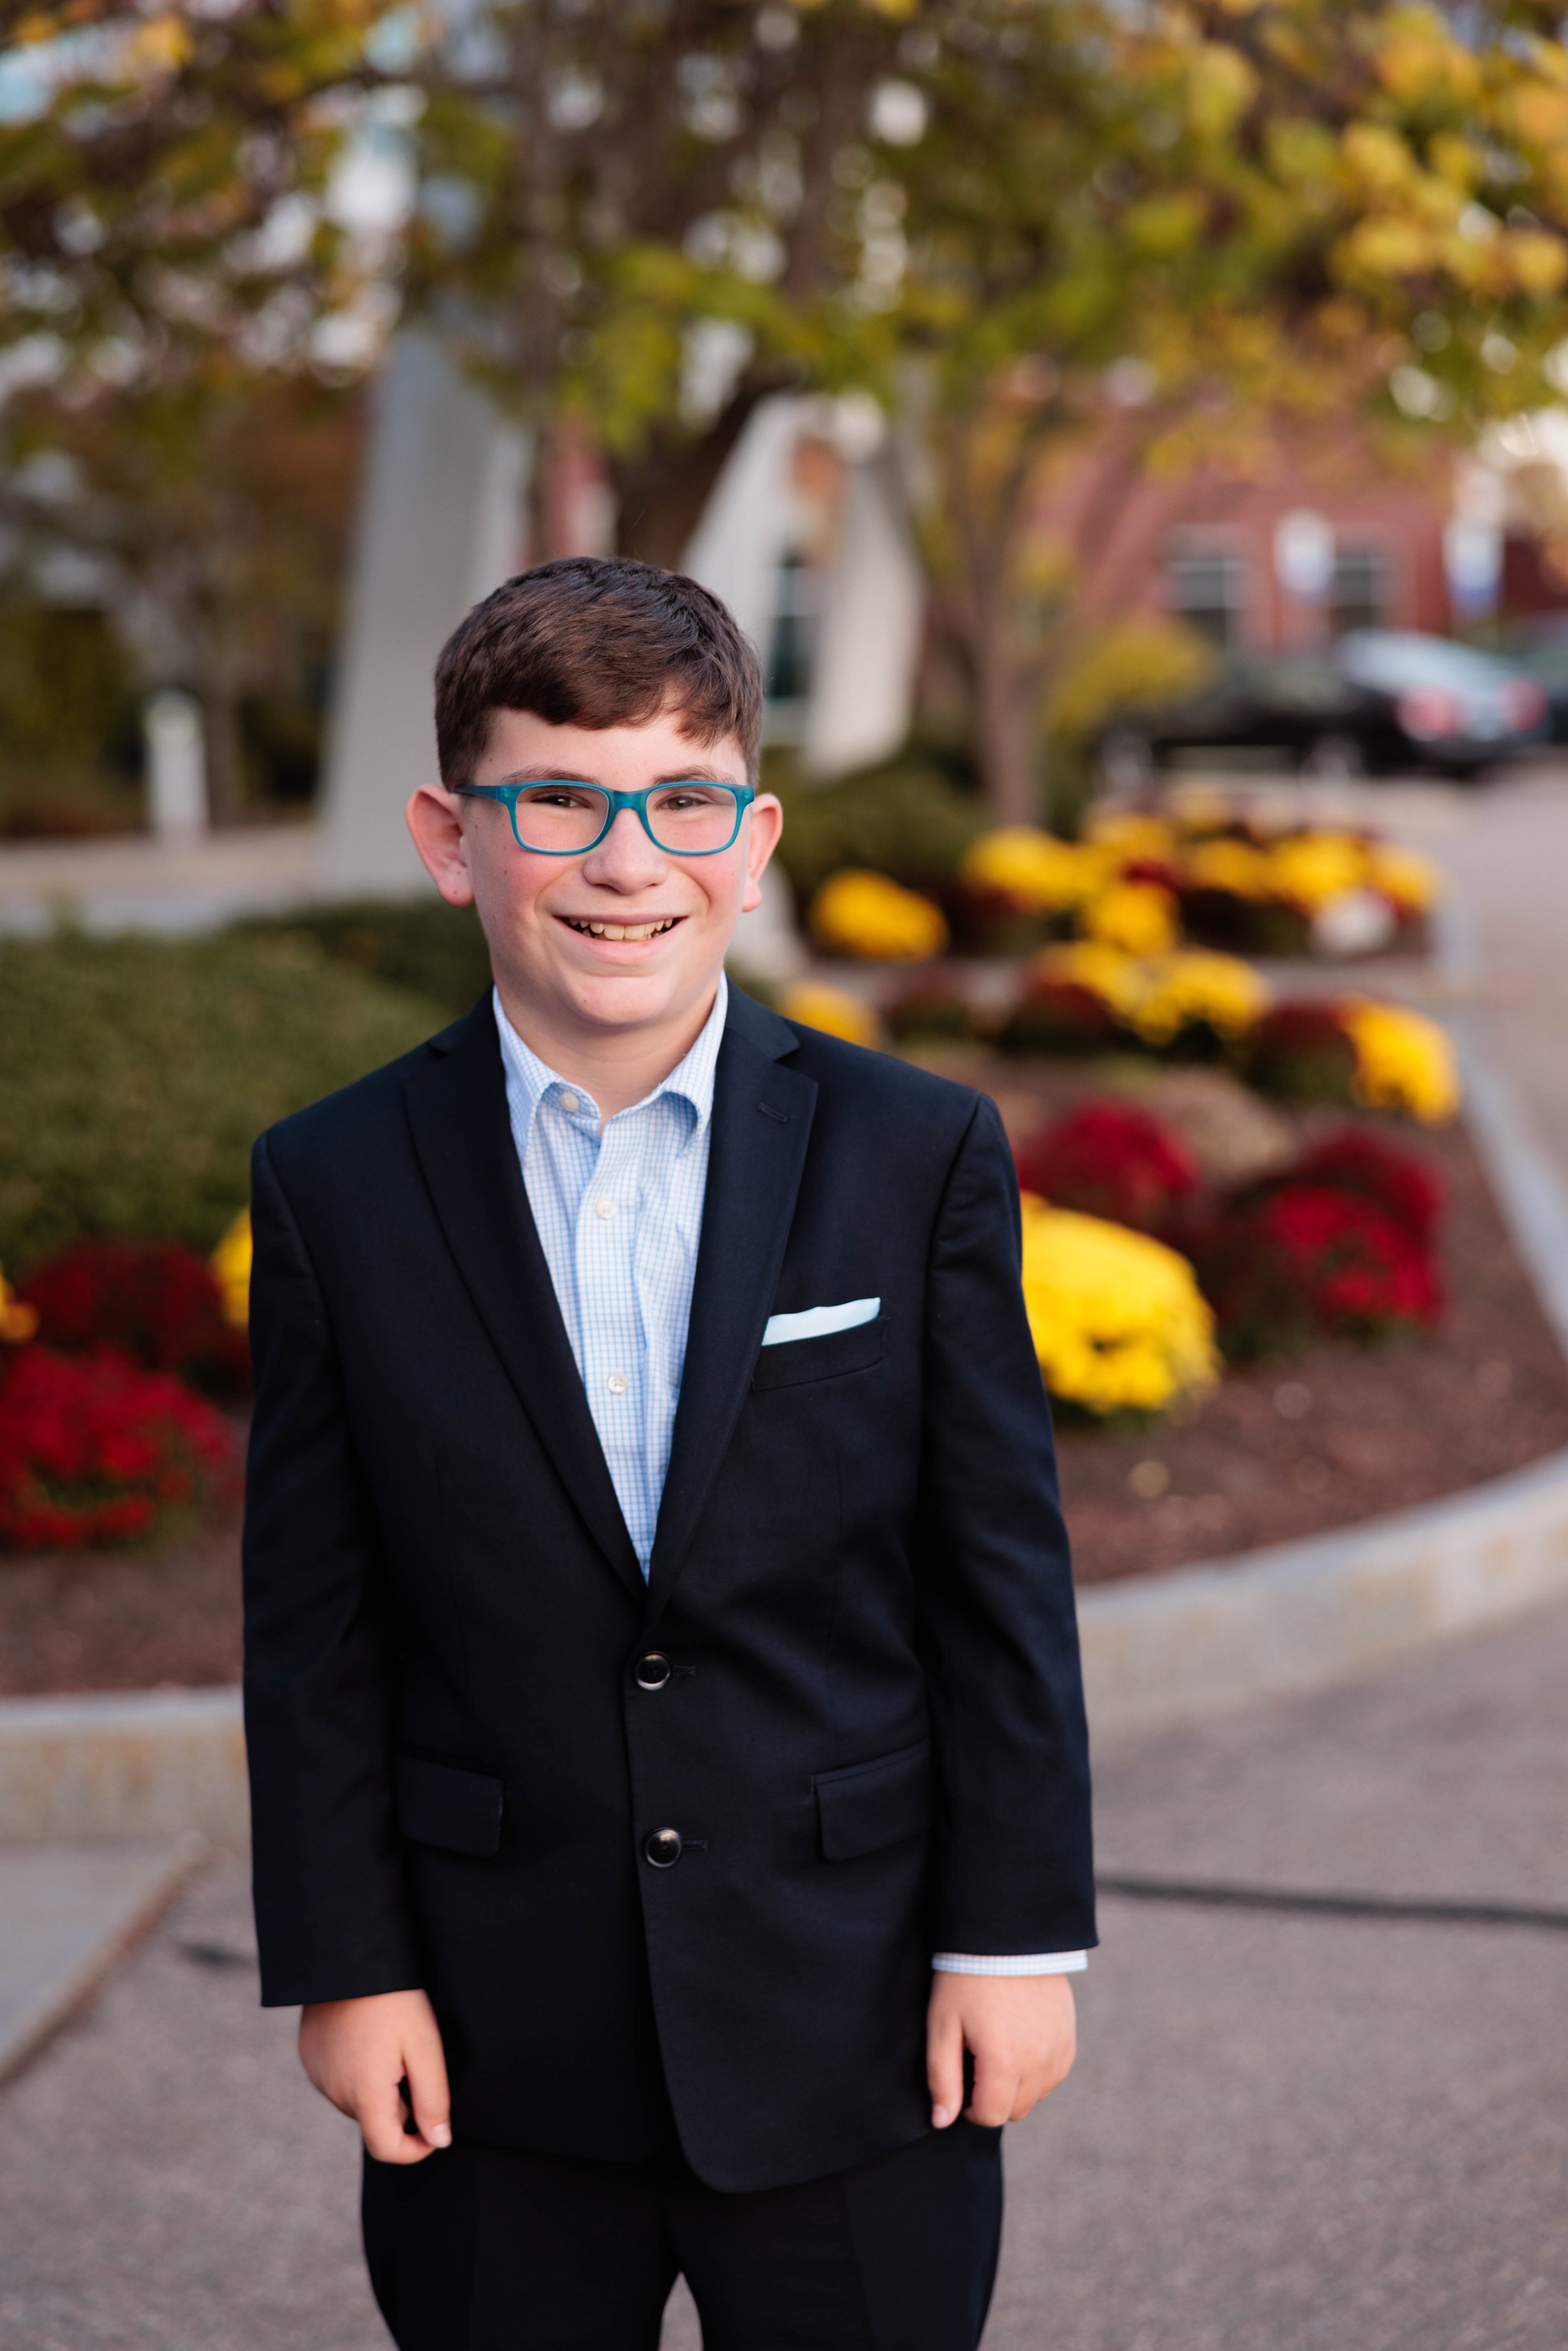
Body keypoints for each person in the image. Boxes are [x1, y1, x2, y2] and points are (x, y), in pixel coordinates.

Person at [243, 556, 1095, 2351]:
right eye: (558, 796)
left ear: (753, 834)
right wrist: (349, 1960)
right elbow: (314, 1621)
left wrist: (1012, 1938)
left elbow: (995, 1577)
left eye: (682, 800)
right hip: (488, 2034)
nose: (628, 861)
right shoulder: (334, 1179)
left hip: (856, 2019)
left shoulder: (910, 1148)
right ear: (450, 834)